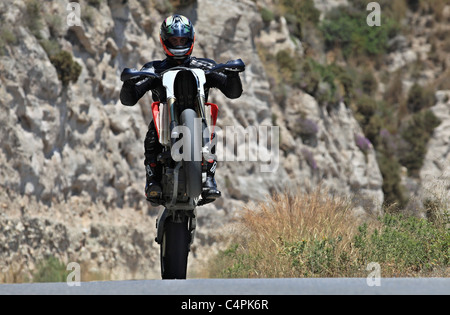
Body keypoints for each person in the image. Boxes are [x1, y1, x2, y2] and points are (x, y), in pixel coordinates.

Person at [120, 14, 244, 204]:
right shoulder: (154, 68)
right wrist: (128, 84)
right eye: (174, 40)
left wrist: (233, 76)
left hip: (197, 121)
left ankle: (209, 178)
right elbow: (129, 100)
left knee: (210, 130)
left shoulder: (205, 65)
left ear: (191, 40)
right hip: (164, 125)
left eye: (182, 40)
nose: (178, 43)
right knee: (152, 132)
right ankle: (152, 179)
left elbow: (233, 93)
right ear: (164, 41)